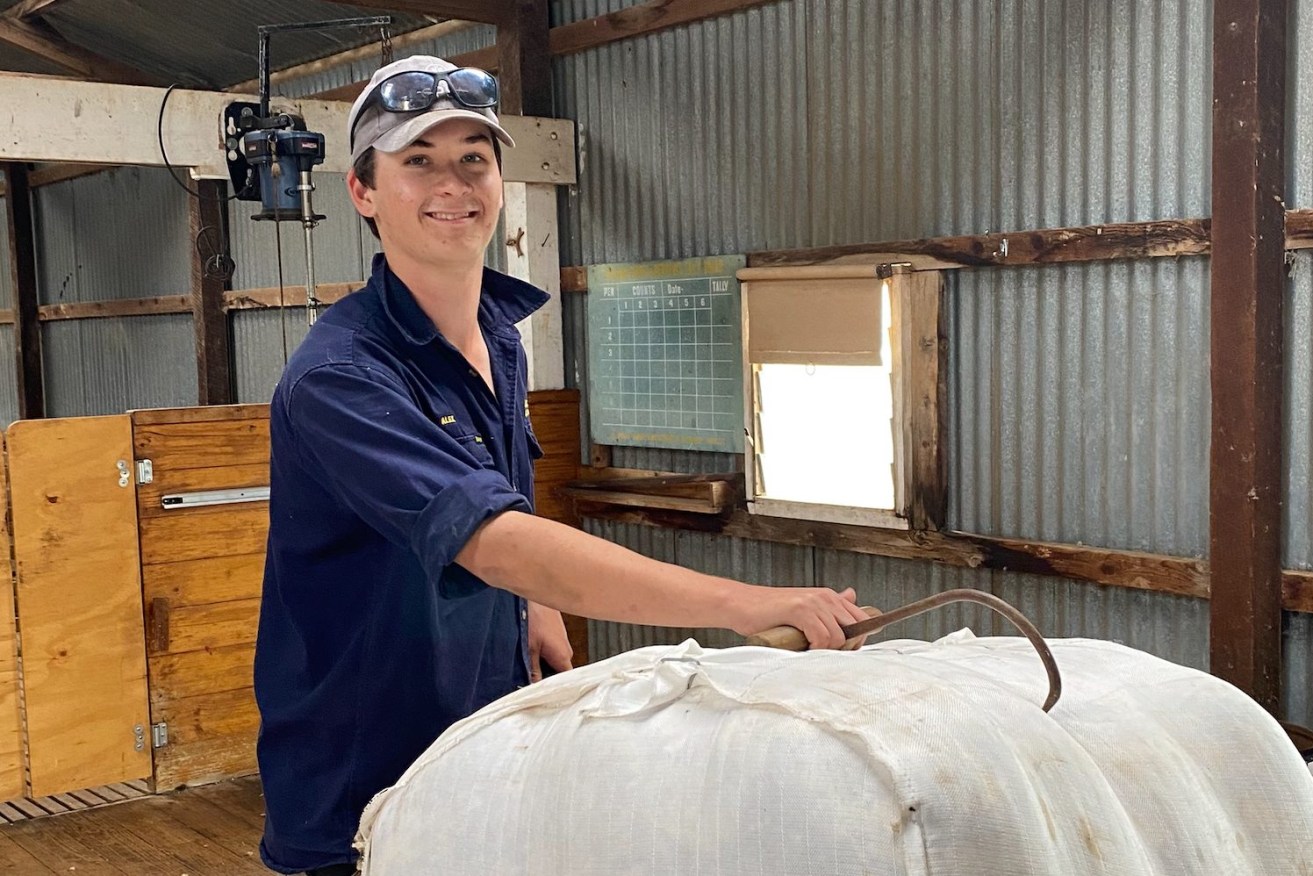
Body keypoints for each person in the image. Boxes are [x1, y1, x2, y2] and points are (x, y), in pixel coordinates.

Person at [252, 54, 872, 876]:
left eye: (474, 158)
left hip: (478, 734)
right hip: (362, 770)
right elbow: (493, 539)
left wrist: (533, 605)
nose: (454, 183)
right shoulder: (342, 379)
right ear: (363, 192)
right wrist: (745, 603)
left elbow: (504, 498)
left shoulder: (498, 338)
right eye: (418, 162)